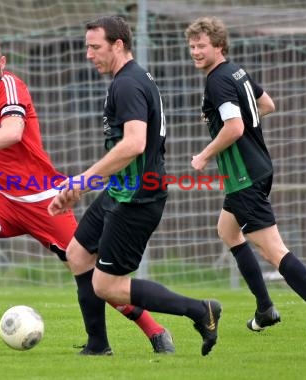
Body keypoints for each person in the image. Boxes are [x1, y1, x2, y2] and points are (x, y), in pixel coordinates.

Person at [0, 32, 175, 354]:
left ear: (2, 62)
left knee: (90, 272)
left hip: (43, 201)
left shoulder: (11, 87)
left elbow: (13, 132)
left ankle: (155, 331)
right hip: (1, 198)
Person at [48, 16, 221, 356]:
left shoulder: (126, 84)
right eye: (87, 46)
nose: (88, 54)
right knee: (78, 254)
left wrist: (82, 181)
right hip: (121, 190)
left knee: (107, 285)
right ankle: (98, 345)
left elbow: (134, 144)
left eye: (95, 47)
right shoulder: (130, 79)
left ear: (118, 45)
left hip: (137, 197)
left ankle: (201, 310)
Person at [185, 17, 306, 337]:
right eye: (192, 47)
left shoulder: (217, 80)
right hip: (256, 168)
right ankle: (264, 309)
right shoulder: (237, 71)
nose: (195, 52)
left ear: (219, 45)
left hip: (244, 176)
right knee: (228, 231)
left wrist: (204, 154)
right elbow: (267, 104)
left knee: (273, 250)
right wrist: (240, 124)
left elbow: (234, 127)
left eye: (202, 46)